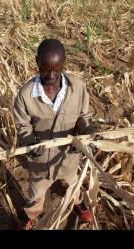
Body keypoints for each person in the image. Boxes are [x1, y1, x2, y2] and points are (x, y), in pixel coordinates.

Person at [13, 38, 95, 230]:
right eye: (45, 69)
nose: (50, 76)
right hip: (40, 160)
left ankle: (77, 201)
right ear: (36, 62)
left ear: (64, 63)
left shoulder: (77, 87)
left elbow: (84, 116)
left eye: (56, 70)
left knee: (72, 183)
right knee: (36, 191)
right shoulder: (25, 95)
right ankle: (30, 215)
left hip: (69, 157)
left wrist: (88, 131)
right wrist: (28, 142)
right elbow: (23, 125)